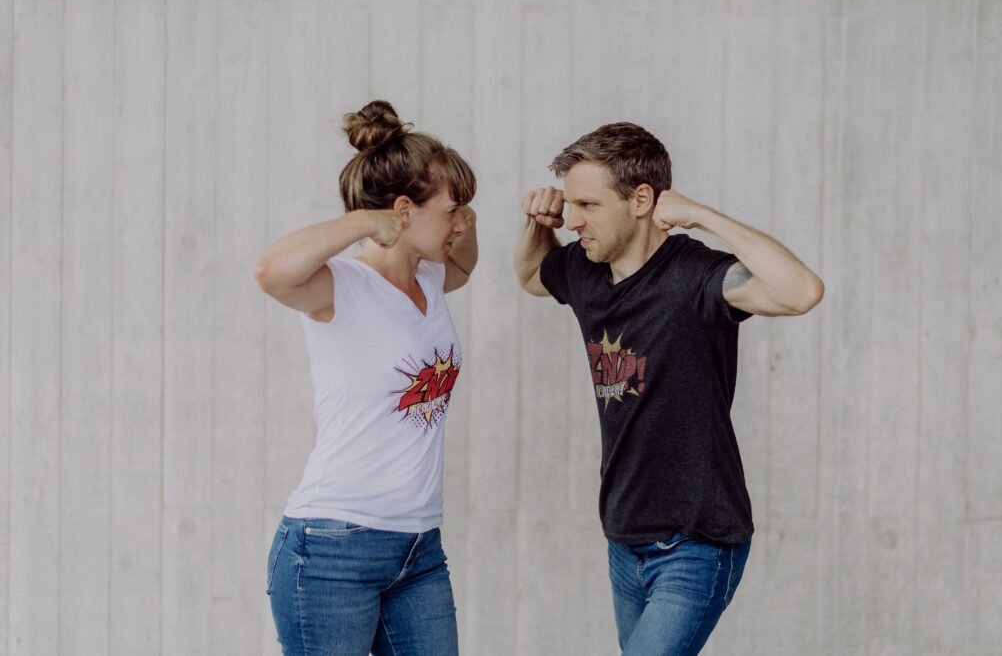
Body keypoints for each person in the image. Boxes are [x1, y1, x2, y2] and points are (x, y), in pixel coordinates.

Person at [513, 122, 824, 655]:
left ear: (641, 200)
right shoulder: (588, 270)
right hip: (623, 538)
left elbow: (801, 292)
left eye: (587, 205)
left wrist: (703, 214)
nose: (574, 219)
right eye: (569, 205)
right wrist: (537, 225)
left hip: (696, 541)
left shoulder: (694, 275)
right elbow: (531, 275)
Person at [254, 100, 477, 656]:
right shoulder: (342, 287)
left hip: (419, 550)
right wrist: (363, 221)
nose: (462, 223)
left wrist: (461, 206)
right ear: (403, 209)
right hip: (332, 547)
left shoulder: (432, 278)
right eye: (452, 209)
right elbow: (270, 271)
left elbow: (465, 263)